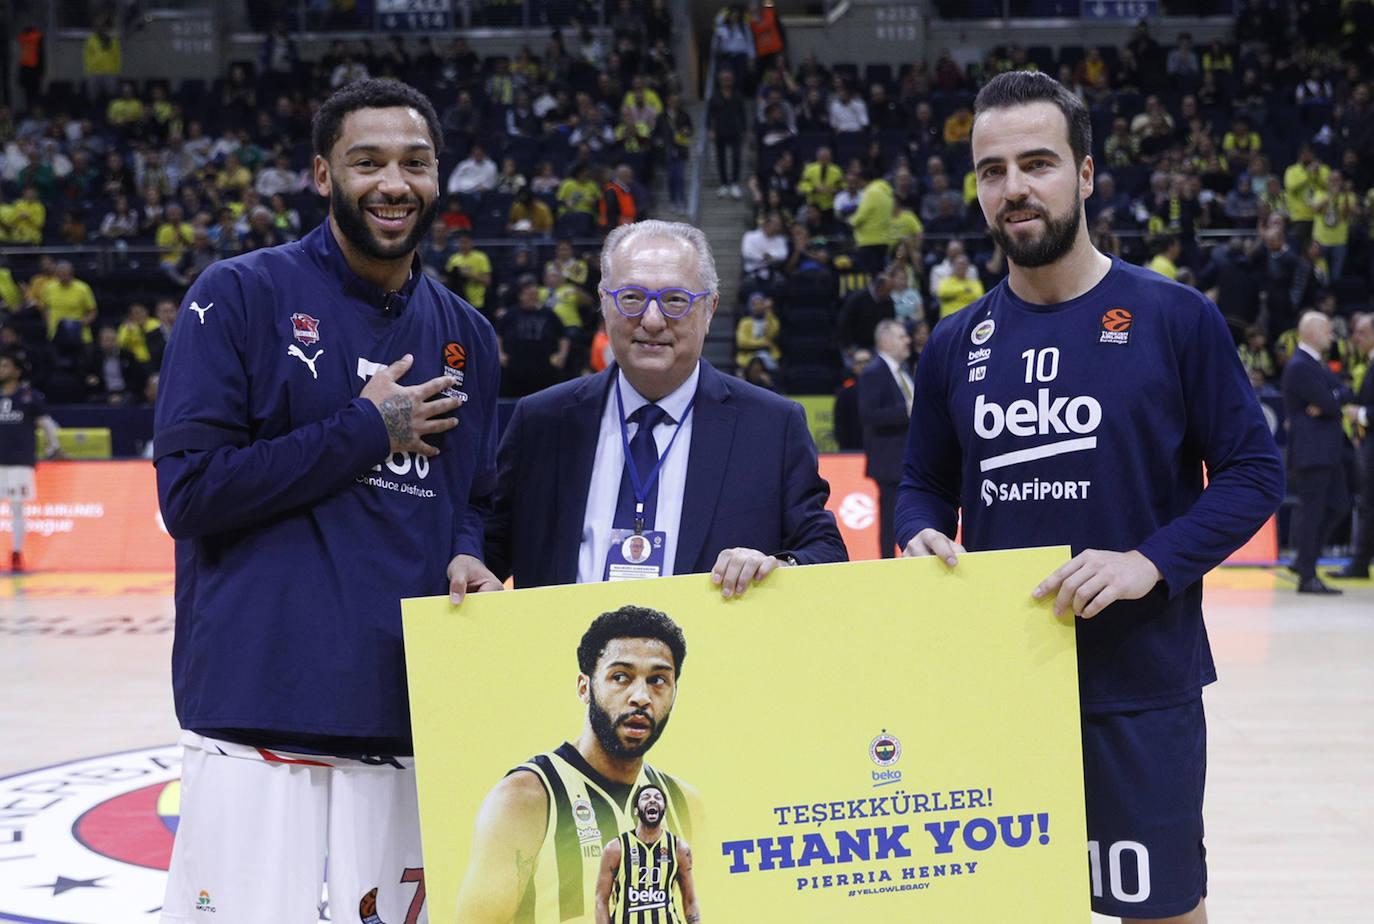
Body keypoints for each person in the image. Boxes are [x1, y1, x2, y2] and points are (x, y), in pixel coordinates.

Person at [895, 72, 1283, 924]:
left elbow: (1256, 473)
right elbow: (923, 483)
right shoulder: (955, 341)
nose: (1014, 188)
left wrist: (1151, 561)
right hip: (1000, 681)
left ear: (1087, 174)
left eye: (1037, 163)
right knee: (1011, 909)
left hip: (1139, 681)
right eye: (992, 170)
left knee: (1162, 910)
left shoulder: (1175, 316)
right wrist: (917, 532)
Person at [153, 79, 502, 924]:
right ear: (322, 174)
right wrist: (365, 429)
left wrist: (470, 550)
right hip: (259, 720)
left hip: (406, 721)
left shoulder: (471, 335)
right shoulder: (238, 294)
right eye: (367, 162)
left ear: (438, 176)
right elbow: (189, 493)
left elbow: (477, 497)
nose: (394, 183)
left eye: (415, 163)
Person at [485, 219, 846, 595]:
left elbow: (826, 552)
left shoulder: (771, 426)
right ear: (604, 303)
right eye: (632, 297)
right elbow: (486, 544)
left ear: (709, 309)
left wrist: (781, 566)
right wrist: (470, 559)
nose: (652, 320)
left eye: (675, 300)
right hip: (564, 635)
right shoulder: (540, 421)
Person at [457, 605, 700, 924]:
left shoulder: (686, 802)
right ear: (584, 688)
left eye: (657, 680)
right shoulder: (524, 799)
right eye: (621, 677)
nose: (641, 697)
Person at [1281, 311, 1355, 594]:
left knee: (1339, 505)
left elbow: (1343, 393)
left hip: (1326, 451)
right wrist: (1332, 399)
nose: (1332, 336)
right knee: (1313, 512)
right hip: (1313, 452)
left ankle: (1303, 558)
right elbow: (1332, 401)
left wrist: (1332, 398)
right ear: (1312, 333)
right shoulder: (1300, 365)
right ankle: (1307, 575)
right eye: (1327, 331)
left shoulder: (1313, 363)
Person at [594, 783, 700, 924]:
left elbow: (690, 900)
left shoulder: (679, 848)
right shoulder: (616, 848)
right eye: (646, 797)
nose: (652, 800)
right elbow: (601, 901)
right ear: (636, 810)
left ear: (664, 811)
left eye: (658, 798)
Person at [0, 351, 61, 572]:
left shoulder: (29, 397)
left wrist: (54, 447)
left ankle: (17, 553)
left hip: (19, 461)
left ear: (17, 371)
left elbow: (47, 425)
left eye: (5, 366)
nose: (1, 370)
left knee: (17, 507)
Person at [859, 319, 912, 559]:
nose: (908, 340)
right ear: (885, 341)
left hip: (907, 459)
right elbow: (868, 414)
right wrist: (906, 411)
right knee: (890, 517)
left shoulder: (904, 370)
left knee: (908, 514)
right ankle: (888, 562)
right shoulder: (874, 372)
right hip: (890, 460)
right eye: (902, 336)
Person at [1329, 312, 1374, 578]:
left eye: (1362, 333)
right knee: (1368, 505)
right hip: (1368, 443)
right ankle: (1359, 564)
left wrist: (1362, 415)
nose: (1355, 338)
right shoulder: (1367, 363)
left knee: (1369, 505)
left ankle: (1359, 564)